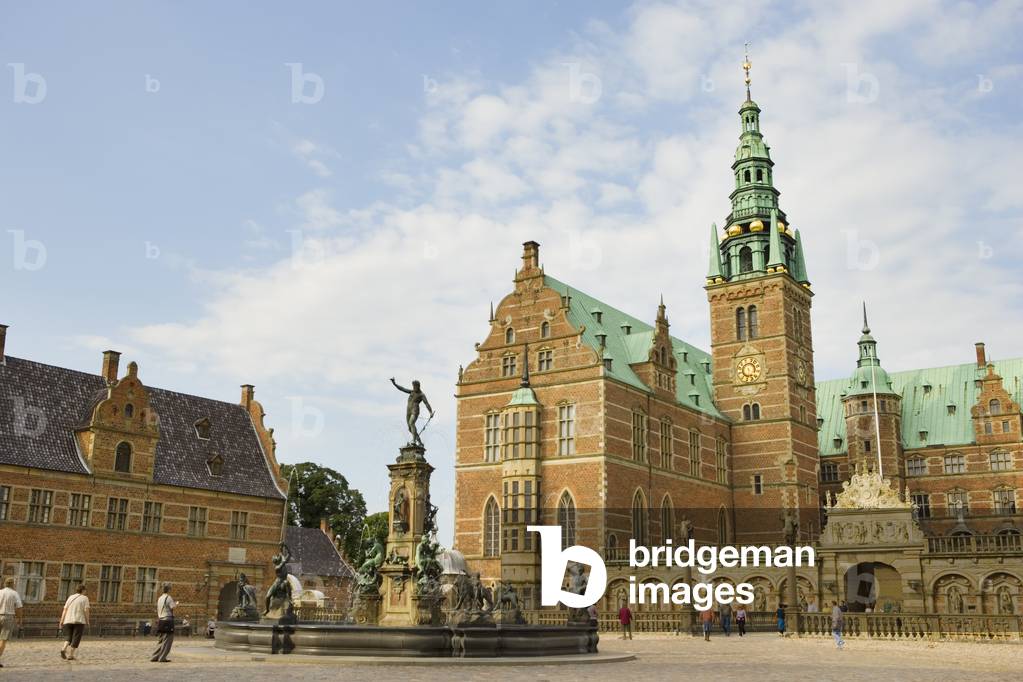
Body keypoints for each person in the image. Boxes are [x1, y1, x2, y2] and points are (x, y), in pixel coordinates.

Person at [59, 584, 90, 661]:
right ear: (82, 590)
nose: (86, 591)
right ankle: (70, 655)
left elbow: (65, 609)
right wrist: (87, 620)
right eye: (85, 590)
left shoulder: (70, 597)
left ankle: (63, 648)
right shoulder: (85, 598)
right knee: (76, 638)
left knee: (68, 637)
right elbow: (86, 610)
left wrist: (61, 620)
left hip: (68, 620)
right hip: (79, 621)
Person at [0, 577, 24, 668]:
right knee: (3, 639)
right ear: (13, 584)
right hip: (8, 617)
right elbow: (19, 607)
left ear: (5, 583)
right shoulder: (14, 593)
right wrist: (19, 619)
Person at [151, 583, 176, 663]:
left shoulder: (160, 598)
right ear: (169, 589)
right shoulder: (169, 598)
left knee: (161, 640)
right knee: (168, 640)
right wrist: (176, 604)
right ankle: (162, 657)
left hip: (161, 620)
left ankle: (155, 656)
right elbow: (173, 607)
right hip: (168, 621)